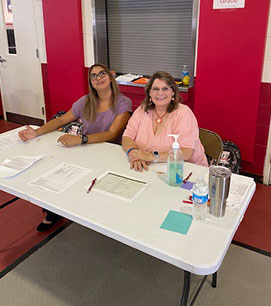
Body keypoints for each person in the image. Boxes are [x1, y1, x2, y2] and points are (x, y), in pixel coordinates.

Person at [19, 63, 132, 231]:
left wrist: (80, 139)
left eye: (102, 74)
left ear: (110, 77)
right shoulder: (85, 101)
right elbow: (60, 121)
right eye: (93, 76)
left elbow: (112, 134)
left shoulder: (123, 102)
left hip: (109, 153)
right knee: (58, 170)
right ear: (91, 83)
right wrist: (36, 132)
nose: (98, 78)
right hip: (86, 149)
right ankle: (54, 211)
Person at [122, 71, 208, 172]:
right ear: (149, 93)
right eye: (155, 89)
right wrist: (134, 154)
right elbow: (127, 137)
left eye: (165, 89)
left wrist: (150, 156)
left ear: (173, 92)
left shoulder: (183, 113)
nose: (160, 93)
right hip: (150, 168)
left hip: (186, 170)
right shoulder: (142, 110)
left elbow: (186, 153)